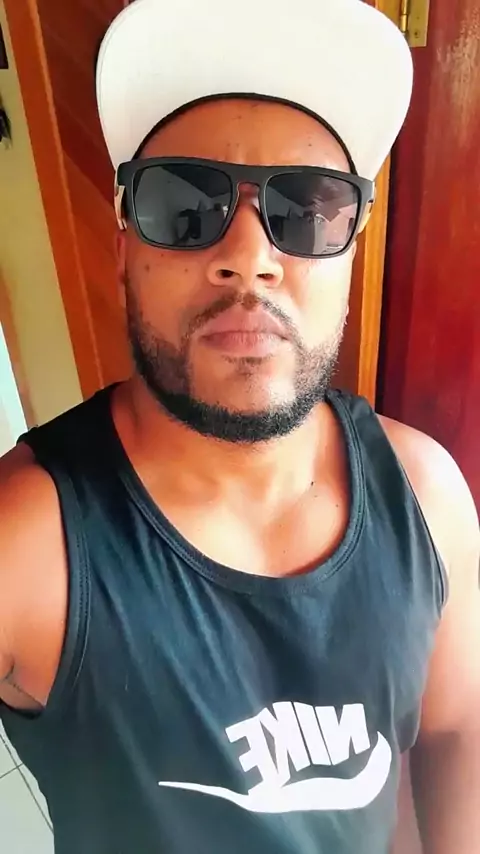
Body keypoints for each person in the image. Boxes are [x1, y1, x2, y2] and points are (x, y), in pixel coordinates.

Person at [0, 0, 479, 852]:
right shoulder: (28, 544)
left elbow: (456, 729)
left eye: (308, 208)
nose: (249, 257)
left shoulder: (428, 497)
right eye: (186, 203)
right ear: (124, 250)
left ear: (351, 252)